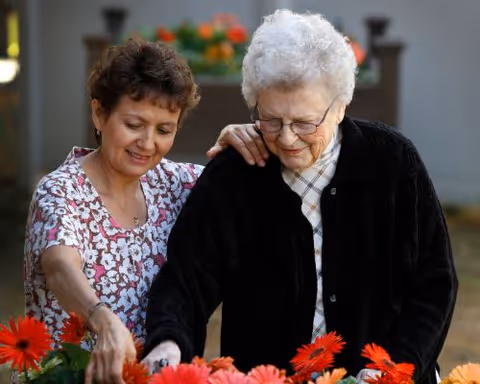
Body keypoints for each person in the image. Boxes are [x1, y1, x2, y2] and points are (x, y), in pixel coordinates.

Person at [142, 9, 458, 384]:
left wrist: (399, 368)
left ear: (340, 106)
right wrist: (167, 343)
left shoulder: (393, 163)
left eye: (305, 123)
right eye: (271, 120)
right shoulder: (235, 174)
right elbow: (186, 281)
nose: (287, 138)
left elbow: (435, 282)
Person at [23, 38, 267, 384]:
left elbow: (237, 186)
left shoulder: (178, 183)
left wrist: (237, 140)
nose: (148, 143)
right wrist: (103, 321)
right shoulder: (60, 191)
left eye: (164, 130)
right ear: (98, 113)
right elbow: (60, 266)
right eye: (134, 125)